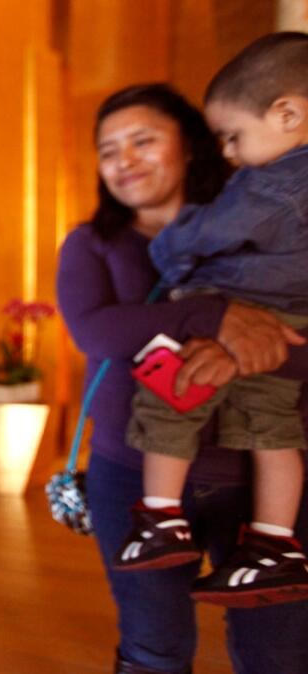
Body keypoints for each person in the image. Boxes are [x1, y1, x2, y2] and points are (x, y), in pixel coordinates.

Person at [57, 82, 308, 673]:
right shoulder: (92, 243)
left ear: (191, 146)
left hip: (260, 470)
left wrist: (243, 350)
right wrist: (216, 319)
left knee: (279, 648)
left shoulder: (273, 236)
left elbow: (294, 340)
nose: (125, 161)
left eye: (144, 140)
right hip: (132, 476)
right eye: (109, 149)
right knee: (155, 647)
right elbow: (96, 333)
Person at [114, 33, 308, 609]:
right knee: (274, 431)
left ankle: (160, 519)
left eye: (233, 137)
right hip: (292, 321)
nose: (228, 153)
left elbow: (208, 234)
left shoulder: (271, 184)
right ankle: (275, 545)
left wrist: (172, 249)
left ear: (288, 113)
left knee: (170, 393)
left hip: (242, 307)